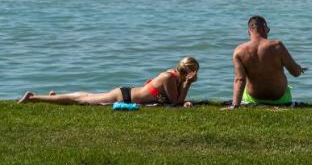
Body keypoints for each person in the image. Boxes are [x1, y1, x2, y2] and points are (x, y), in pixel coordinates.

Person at [18, 57, 200, 107]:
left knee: (85, 96)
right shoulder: (169, 77)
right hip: (124, 97)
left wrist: (185, 91)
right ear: (189, 72)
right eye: (194, 73)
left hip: (126, 94)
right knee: (80, 100)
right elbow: (175, 102)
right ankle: (33, 97)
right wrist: (188, 84)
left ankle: (56, 97)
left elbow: (174, 100)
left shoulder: (173, 76)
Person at [224, 16, 304, 109]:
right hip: (280, 100)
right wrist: (299, 69)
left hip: (253, 99)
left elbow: (240, 80)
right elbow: (295, 73)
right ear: (265, 29)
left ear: (249, 32)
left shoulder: (239, 51)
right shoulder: (277, 46)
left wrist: (235, 105)